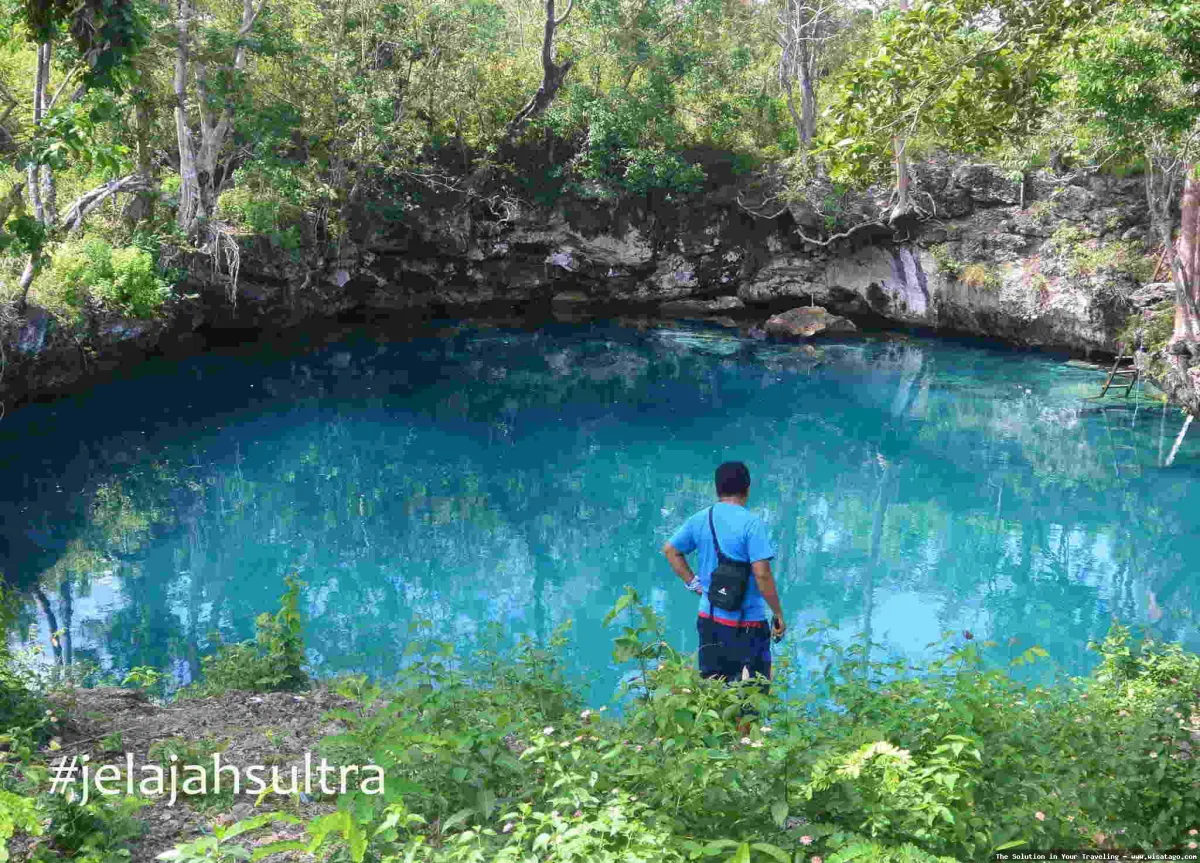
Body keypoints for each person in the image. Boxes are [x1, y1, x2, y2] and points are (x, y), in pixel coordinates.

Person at [661, 462, 786, 691]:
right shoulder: (752, 524)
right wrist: (777, 613)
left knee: (714, 693)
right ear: (747, 489)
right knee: (751, 698)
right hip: (746, 624)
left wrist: (693, 583)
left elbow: (671, 550)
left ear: (717, 489)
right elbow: (762, 573)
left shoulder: (700, 518)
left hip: (708, 619)